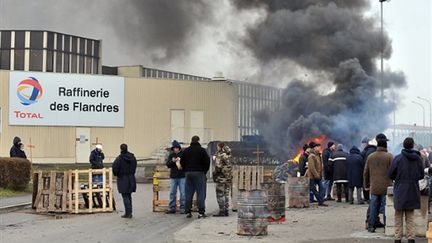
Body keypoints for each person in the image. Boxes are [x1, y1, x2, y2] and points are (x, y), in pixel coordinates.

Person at [388, 137, 424, 243]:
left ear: (403, 146)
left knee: (398, 215)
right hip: (413, 189)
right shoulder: (418, 158)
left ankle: (398, 238)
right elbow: (421, 174)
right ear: (413, 146)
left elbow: (390, 174)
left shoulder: (398, 158)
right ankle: (411, 238)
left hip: (400, 189)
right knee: (410, 215)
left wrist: (398, 178)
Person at [364, 137, 392, 233]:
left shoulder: (371, 156)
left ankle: (371, 226)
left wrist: (366, 184)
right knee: (385, 208)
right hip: (386, 187)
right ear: (385, 146)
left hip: (374, 187)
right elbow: (393, 171)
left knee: (373, 207)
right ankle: (386, 227)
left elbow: (366, 172)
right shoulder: (389, 156)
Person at [180, 136, 210, 218]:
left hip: (188, 173)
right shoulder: (202, 150)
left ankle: (188, 211)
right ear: (198, 141)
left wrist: (186, 170)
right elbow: (207, 162)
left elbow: (182, 162)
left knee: (188, 193)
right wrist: (204, 171)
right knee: (200, 193)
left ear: (191, 141)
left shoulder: (186, 150)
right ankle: (201, 212)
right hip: (199, 173)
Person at [112, 144, 137, 219]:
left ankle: (128, 213)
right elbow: (135, 166)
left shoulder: (119, 158)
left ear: (121, 149)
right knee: (129, 195)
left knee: (125, 196)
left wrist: (118, 174)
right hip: (131, 178)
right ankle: (130, 212)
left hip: (123, 178)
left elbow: (115, 169)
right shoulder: (132, 157)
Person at [212, 143, 232, 217]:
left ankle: (222, 211)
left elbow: (218, 166)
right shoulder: (229, 154)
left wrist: (215, 173)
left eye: (217, 147)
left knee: (220, 194)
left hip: (221, 177)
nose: (217, 148)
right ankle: (226, 210)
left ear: (220, 147)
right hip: (228, 177)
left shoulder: (220, 155)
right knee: (226, 194)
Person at [165, 140, 185, 214]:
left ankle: (183, 207)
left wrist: (181, 161)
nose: (175, 149)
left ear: (179, 148)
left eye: (176, 148)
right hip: (173, 176)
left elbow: (185, 164)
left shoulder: (183, 154)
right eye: (174, 148)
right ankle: (172, 207)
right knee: (172, 192)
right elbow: (167, 165)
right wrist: (172, 161)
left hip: (182, 176)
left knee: (183, 193)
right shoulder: (171, 155)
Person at [306, 141, 327, 207]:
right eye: (318, 147)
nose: (319, 148)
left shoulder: (318, 155)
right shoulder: (311, 156)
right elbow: (312, 168)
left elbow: (319, 166)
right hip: (313, 176)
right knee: (314, 190)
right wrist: (316, 175)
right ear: (314, 148)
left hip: (319, 175)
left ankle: (320, 200)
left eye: (319, 147)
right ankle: (320, 201)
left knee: (322, 188)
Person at [361, 138, 377, 203]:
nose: (362, 145)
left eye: (363, 143)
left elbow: (366, 161)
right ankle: (367, 198)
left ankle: (368, 198)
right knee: (367, 183)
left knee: (367, 183)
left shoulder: (369, 151)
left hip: (369, 170)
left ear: (366, 143)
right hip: (369, 169)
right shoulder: (368, 150)